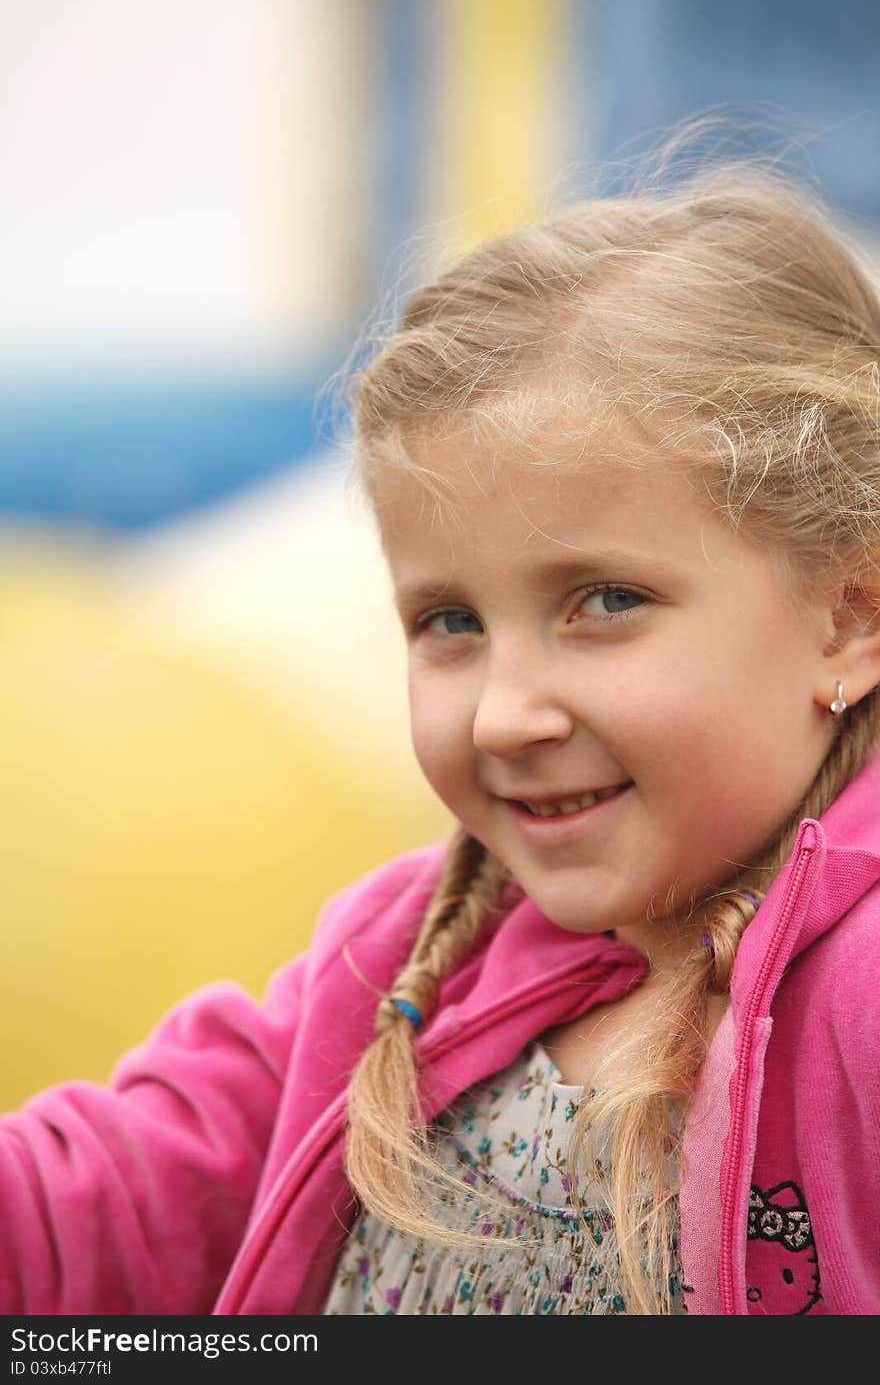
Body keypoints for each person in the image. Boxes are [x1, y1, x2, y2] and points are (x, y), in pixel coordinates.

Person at [4, 153, 880, 1318]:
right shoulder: (401, 957)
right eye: (449, 621)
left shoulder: (858, 1000)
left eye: (605, 601)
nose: (504, 714)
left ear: (848, 617)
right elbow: (95, 1207)